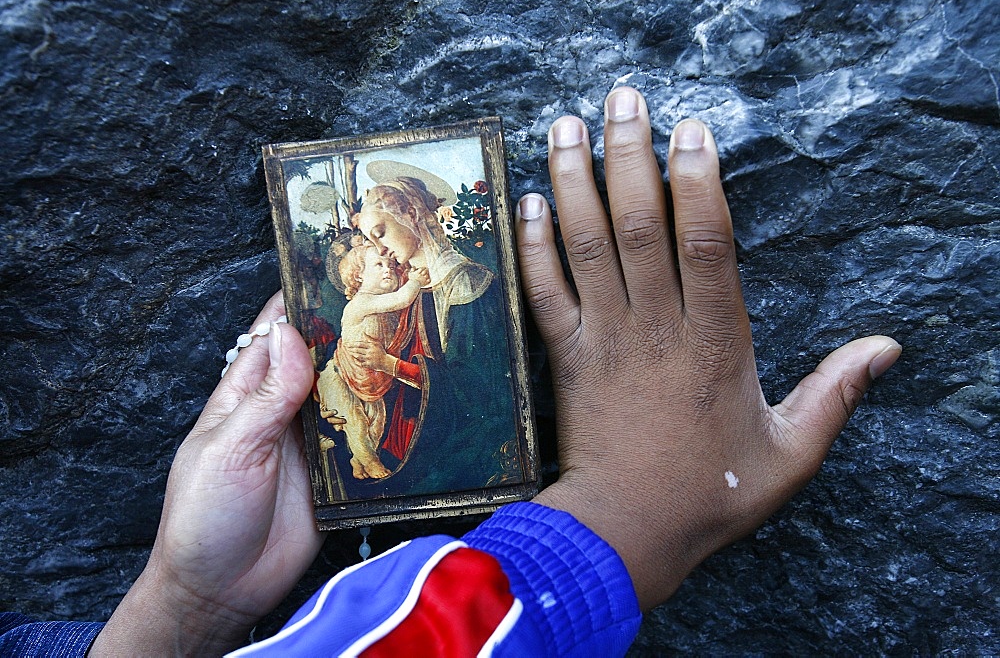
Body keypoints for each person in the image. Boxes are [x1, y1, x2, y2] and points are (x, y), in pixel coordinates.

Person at [0, 87, 900, 655]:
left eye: (381, 231)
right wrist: (616, 525)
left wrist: (183, 607)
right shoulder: (379, 293)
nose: (369, 251)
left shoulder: (437, 280)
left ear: (408, 216)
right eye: (360, 245)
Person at [336, 175, 524, 498]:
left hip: (461, 443)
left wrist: (390, 364)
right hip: (409, 435)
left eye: (380, 234)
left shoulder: (464, 284)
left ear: (410, 214)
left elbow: (475, 391)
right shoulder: (412, 287)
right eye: (370, 240)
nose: (379, 249)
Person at [316, 240, 431, 480]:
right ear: (358, 277)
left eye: (390, 264)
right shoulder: (362, 302)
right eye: (378, 265)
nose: (388, 269)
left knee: (376, 424)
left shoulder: (385, 308)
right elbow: (402, 299)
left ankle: (358, 463)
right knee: (356, 424)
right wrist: (416, 282)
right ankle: (372, 463)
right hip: (339, 376)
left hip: (368, 381)